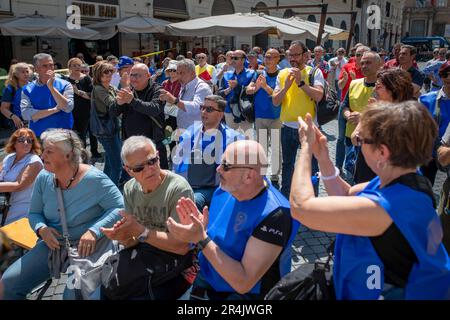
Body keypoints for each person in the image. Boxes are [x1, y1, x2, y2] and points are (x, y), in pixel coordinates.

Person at [290, 102, 450, 300]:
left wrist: (305, 147)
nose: (357, 141)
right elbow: (347, 196)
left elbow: (301, 208)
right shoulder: (405, 180)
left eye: (362, 139)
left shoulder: (386, 207)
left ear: (382, 152)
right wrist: (323, 158)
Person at [167, 140, 300, 300]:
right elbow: (217, 234)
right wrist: (201, 226)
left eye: (226, 165)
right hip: (208, 278)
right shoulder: (226, 190)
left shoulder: (276, 215)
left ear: (249, 176)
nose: (218, 169)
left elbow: (243, 282)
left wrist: (201, 238)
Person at [0, 129, 123, 300]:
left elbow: (120, 207)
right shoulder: (44, 177)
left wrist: (94, 231)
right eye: (44, 151)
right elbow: (34, 213)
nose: (43, 157)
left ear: (68, 155)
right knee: (7, 284)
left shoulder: (95, 179)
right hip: (54, 245)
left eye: (49, 151)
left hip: (88, 248)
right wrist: (42, 228)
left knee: (72, 296)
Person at [101, 136, 196, 300]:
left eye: (152, 161)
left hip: (177, 263)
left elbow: (182, 247)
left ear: (158, 156)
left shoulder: (178, 189)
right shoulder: (130, 188)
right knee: (108, 287)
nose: (149, 169)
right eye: (139, 168)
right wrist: (123, 236)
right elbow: (133, 242)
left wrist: (141, 231)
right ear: (128, 170)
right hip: (147, 256)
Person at [272, 41, 325, 197]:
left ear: (305, 55)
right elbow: (275, 101)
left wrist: (301, 83)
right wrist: (287, 86)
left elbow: (319, 95)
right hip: (287, 127)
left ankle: (311, 198)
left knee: (312, 166)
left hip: (309, 128)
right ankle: (286, 197)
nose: (293, 58)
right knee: (287, 165)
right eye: (290, 54)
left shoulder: (314, 72)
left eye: (296, 54)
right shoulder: (282, 74)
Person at [173, 95, 243, 210]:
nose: (204, 112)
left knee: (190, 204)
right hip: (186, 186)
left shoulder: (233, 139)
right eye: (202, 107)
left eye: (209, 109)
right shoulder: (191, 131)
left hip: (213, 189)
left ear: (220, 114)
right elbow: (177, 163)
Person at [114, 63, 167, 171]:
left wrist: (132, 101)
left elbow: (154, 109)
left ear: (148, 75)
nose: (134, 78)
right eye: (132, 75)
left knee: (158, 177)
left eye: (138, 75)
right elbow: (112, 113)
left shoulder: (157, 89)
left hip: (153, 144)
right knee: (136, 178)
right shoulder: (129, 90)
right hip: (132, 144)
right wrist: (118, 104)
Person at [342, 52, 383, 183]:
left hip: (373, 142)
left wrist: (363, 118)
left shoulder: (384, 87)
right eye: (363, 63)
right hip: (351, 137)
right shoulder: (354, 83)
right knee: (350, 175)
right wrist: (348, 115)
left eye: (368, 63)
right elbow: (344, 106)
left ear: (379, 65)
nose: (364, 66)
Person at [246, 48, 282, 187]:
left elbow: (278, 95)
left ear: (278, 59)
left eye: (271, 57)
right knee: (261, 146)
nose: (267, 59)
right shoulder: (259, 73)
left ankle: (275, 176)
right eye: (266, 56)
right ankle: (261, 173)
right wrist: (256, 87)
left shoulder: (281, 75)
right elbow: (249, 90)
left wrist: (265, 87)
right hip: (260, 115)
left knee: (275, 146)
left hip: (275, 116)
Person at [20, 53, 74, 138]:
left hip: (63, 134)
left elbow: (67, 108)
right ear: (36, 69)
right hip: (39, 135)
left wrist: (51, 88)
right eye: (45, 66)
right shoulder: (27, 89)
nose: (49, 69)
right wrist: (55, 110)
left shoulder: (65, 84)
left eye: (51, 65)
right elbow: (26, 114)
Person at [335, 46, 371, 173]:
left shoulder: (369, 70)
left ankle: (354, 166)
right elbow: (339, 86)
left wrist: (355, 79)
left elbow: (365, 87)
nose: (358, 57)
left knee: (358, 139)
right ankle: (338, 166)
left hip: (361, 109)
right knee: (341, 138)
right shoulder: (347, 66)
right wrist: (345, 79)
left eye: (361, 54)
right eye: (356, 54)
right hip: (346, 106)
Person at [0, 128, 43, 225]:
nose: (26, 142)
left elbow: (19, 185)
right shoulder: (9, 157)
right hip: (5, 204)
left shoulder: (34, 161)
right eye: (21, 140)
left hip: (22, 209)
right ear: (14, 143)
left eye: (29, 140)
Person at [419, 61, 450, 186]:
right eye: (445, 75)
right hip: (429, 154)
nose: (448, 78)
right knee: (424, 188)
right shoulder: (426, 99)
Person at [159, 59, 212, 131]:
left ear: (193, 73)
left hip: (197, 132)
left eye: (182, 73)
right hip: (183, 130)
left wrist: (174, 100)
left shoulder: (202, 87)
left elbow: (197, 108)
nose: (179, 76)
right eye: (177, 73)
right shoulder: (184, 85)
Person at [91, 61, 121, 186]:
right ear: (99, 74)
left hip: (112, 128)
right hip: (105, 130)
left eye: (111, 71)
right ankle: (111, 192)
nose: (109, 74)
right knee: (117, 165)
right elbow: (112, 104)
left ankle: (102, 187)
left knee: (109, 162)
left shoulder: (110, 87)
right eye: (105, 72)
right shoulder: (99, 89)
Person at [219, 50, 255, 132]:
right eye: (231, 58)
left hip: (245, 111)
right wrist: (226, 91)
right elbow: (219, 93)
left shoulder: (252, 73)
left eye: (235, 58)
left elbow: (252, 92)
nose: (233, 60)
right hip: (229, 111)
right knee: (231, 139)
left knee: (246, 139)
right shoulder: (226, 74)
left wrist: (237, 86)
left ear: (243, 60)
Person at [62, 58, 93, 150]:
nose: (77, 67)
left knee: (82, 135)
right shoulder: (65, 79)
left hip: (84, 112)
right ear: (69, 67)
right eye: (74, 65)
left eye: (79, 65)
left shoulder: (86, 78)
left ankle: (82, 156)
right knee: (71, 135)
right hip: (69, 112)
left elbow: (91, 96)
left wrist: (78, 92)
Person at [1, 63, 31, 129]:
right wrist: (13, 117)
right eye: (23, 72)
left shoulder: (34, 85)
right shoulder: (10, 89)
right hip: (20, 123)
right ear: (16, 74)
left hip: (35, 119)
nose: (26, 74)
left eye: (27, 71)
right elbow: (3, 108)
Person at [162, 61, 181, 152]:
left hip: (179, 110)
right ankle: (172, 154)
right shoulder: (165, 83)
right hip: (167, 111)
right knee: (168, 133)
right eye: (170, 70)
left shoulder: (182, 83)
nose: (172, 72)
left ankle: (180, 154)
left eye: (174, 70)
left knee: (180, 134)